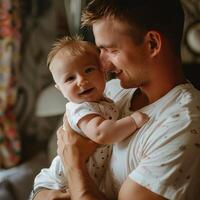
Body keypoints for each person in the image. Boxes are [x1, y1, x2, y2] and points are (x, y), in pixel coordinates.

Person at [32, 0, 200, 199]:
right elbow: (42, 185)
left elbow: (69, 158)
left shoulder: (183, 125)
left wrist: (74, 165)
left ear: (152, 44)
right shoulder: (108, 91)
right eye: (100, 50)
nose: (101, 64)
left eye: (111, 50)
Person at [30, 36, 148, 199]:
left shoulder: (105, 100)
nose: (81, 80)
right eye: (70, 78)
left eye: (88, 70)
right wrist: (133, 121)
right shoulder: (81, 108)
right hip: (60, 182)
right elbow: (101, 133)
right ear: (60, 89)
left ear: (103, 72)